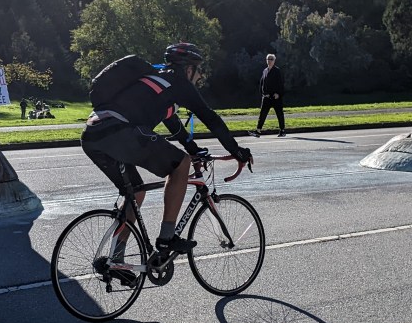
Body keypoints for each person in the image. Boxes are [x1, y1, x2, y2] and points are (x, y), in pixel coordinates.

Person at [81, 43, 253, 268]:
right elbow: (210, 118)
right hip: (119, 131)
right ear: (188, 69)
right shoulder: (178, 81)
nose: (200, 75)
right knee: (181, 164)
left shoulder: (157, 83)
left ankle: (116, 261)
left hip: (93, 134)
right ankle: (166, 239)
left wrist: (193, 148)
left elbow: (173, 124)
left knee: (137, 192)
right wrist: (237, 151)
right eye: (198, 70)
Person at [252, 53, 286, 137]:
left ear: (274, 61)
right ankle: (258, 130)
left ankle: (282, 130)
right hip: (266, 97)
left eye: (271, 59)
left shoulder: (277, 71)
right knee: (262, 114)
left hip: (275, 97)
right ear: (266, 60)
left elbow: (280, 83)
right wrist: (263, 93)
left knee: (279, 114)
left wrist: (279, 94)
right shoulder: (265, 71)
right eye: (268, 59)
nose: (269, 61)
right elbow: (262, 83)